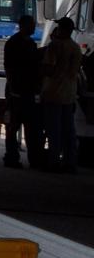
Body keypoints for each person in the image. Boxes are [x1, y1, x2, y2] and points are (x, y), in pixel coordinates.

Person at [41, 16, 83, 171]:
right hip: (69, 93)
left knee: (54, 130)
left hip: (53, 92)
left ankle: (53, 161)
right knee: (69, 130)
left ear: (63, 29)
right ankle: (70, 161)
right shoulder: (76, 47)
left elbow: (48, 69)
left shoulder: (55, 46)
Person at [3, 13, 44, 168]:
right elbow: (8, 67)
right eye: (32, 24)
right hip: (17, 91)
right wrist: (13, 88)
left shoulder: (30, 44)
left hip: (28, 91)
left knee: (31, 127)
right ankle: (12, 157)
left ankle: (32, 158)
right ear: (24, 26)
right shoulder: (15, 44)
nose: (34, 27)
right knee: (14, 126)